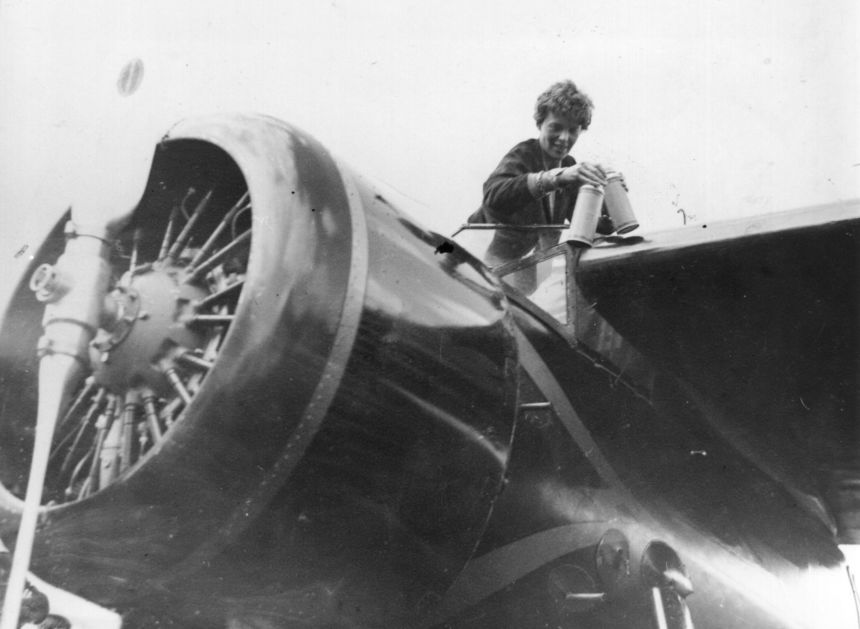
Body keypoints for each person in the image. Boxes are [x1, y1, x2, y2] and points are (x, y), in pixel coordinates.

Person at [468, 80, 614, 270]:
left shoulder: (569, 165)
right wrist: (555, 178)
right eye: (556, 127)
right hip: (481, 266)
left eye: (572, 130)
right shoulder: (523, 154)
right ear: (540, 123)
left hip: (521, 272)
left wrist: (608, 201)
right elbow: (493, 196)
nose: (564, 138)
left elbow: (586, 223)